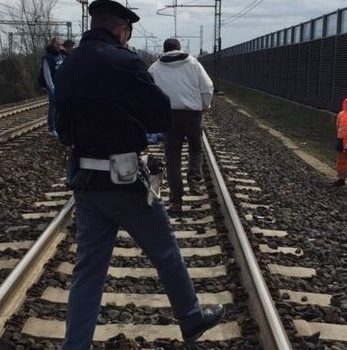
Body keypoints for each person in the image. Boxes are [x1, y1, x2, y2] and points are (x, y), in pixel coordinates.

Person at [53, 1, 225, 349]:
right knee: (165, 252)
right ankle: (190, 318)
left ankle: (75, 345)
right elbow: (161, 117)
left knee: (87, 273)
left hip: (86, 183)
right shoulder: (126, 62)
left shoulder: (68, 65)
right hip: (127, 183)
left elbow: (62, 129)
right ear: (121, 29)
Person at [148, 38, 214, 213]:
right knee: (195, 148)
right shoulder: (193, 63)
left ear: (164, 49)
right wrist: (205, 105)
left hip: (169, 116)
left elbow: (148, 91)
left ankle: (176, 201)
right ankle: (194, 180)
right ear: (179, 48)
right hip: (192, 114)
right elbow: (207, 86)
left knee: (173, 159)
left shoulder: (155, 67)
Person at [42, 37, 66, 136]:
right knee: (53, 108)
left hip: (61, 85)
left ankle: (59, 126)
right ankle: (52, 128)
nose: (59, 46)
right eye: (57, 44)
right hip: (53, 86)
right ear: (52, 44)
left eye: (60, 44)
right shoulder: (48, 58)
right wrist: (52, 88)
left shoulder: (61, 55)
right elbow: (47, 74)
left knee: (61, 107)